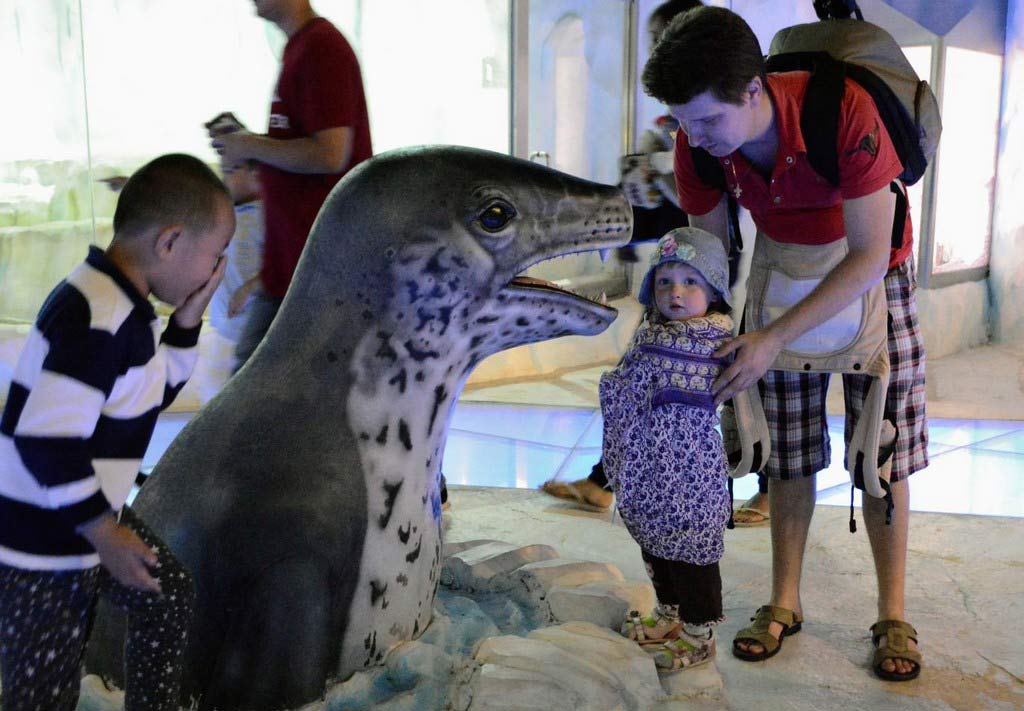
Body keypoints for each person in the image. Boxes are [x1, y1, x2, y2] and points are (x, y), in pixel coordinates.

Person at [643, 6, 926, 680]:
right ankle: (784, 600)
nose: (699, 137)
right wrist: (681, 333)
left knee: (880, 451)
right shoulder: (698, 143)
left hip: (874, 277)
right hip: (781, 269)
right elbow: (705, 253)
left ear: (753, 91)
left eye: (710, 120)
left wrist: (768, 338)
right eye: (685, 121)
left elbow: (867, 254)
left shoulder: (845, 111)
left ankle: (892, 614)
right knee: (787, 452)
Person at [0, 153, 234, 709]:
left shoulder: (125, 307)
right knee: (42, 694)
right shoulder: (99, 315)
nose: (217, 271)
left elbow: (147, 397)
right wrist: (106, 532)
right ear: (170, 242)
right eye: (215, 255)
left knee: (166, 595)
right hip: (41, 545)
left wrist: (186, 322)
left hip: (76, 523)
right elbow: (45, 439)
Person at [539, 0, 702, 513]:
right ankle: (604, 479)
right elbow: (660, 201)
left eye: (665, 40)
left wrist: (658, 167)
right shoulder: (672, 117)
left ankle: (766, 485)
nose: (656, 52)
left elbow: (710, 198)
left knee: (723, 381)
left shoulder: (708, 110)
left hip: (709, 279)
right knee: (640, 378)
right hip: (678, 272)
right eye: (654, 41)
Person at [209, 0, 372, 368]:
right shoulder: (300, 48)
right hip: (290, 271)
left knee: (254, 399)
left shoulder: (321, 47)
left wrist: (249, 145)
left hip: (318, 275)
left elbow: (331, 153)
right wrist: (246, 141)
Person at [602, 228, 733, 672]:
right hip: (648, 463)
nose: (676, 293)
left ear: (714, 289)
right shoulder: (649, 333)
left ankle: (699, 635)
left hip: (690, 469)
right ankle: (670, 613)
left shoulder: (718, 342)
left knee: (691, 545)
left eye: (691, 281)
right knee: (654, 536)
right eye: (664, 282)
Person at [207, 159, 264, 373]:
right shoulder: (227, 213)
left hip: (250, 331)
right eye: (223, 169)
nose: (224, 176)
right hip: (223, 329)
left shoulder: (268, 216)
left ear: (256, 174)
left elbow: (289, 266)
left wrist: (249, 287)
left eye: (231, 169)